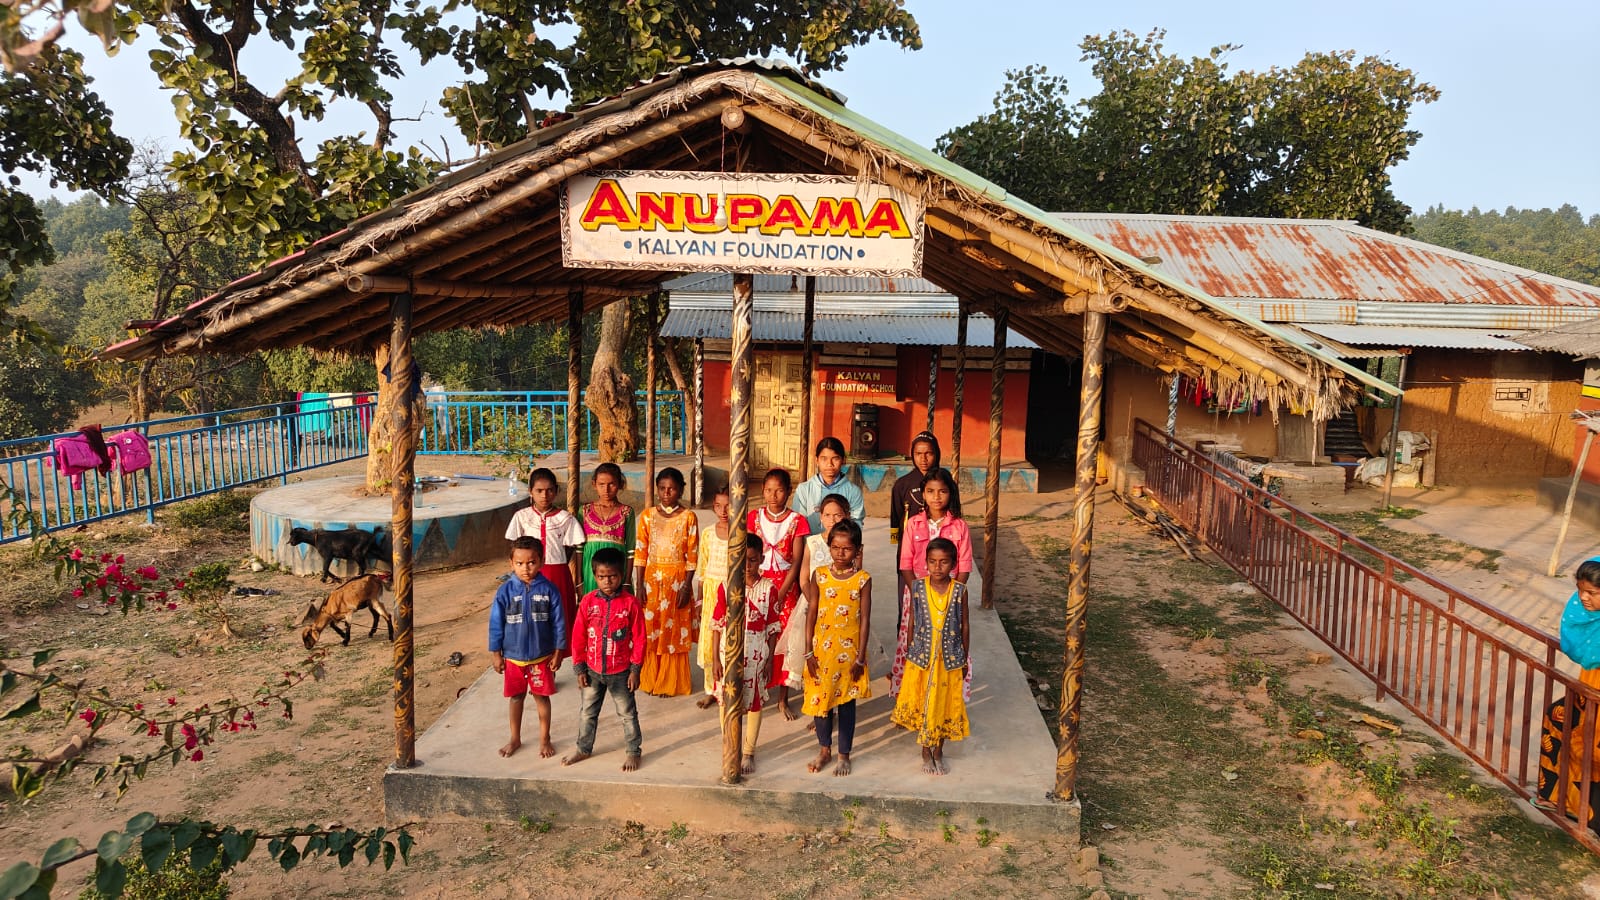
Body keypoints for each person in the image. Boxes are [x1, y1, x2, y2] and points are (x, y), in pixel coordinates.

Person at [891, 538, 970, 775]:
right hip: (922, 657)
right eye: (932, 562)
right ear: (925, 563)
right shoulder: (917, 587)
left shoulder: (959, 591)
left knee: (943, 703)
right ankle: (926, 750)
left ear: (953, 565)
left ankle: (939, 751)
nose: (937, 567)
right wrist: (908, 650)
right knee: (925, 701)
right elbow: (912, 620)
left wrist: (964, 657)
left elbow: (965, 625)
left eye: (944, 562)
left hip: (948, 658)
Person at [893, 468, 973, 698]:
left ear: (951, 494)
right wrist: (918, 591)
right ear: (923, 494)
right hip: (917, 592)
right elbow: (905, 564)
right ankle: (911, 698)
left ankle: (945, 698)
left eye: (942, 491)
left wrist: (953, 594)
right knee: (915, 641)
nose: (936, 497)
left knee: (947, 640)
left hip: (948, 594)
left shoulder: (959, 527)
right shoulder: (914, 524)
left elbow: (965, 565)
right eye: (930, 491)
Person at [564, 547, 645, 771]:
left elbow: (639, 638)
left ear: (621, 576)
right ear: (594, 576)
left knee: (627, 714)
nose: (607, 581)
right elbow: (578, 636)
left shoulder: (630, 604)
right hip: (592, 671)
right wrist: (579, 667)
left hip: (620, 672)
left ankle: (633, 751)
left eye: (612, 576)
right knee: (588, 712)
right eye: (601, 577)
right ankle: (583, 748)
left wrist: (635, 669)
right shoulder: (588, 602)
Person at [803, 519, 872, 777]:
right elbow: (811, 612)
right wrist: (808, 651)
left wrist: (861, 657)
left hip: (850, 655)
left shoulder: (863, 580)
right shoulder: (819, 575)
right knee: (821, 702)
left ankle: (844, 754)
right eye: (835, 547)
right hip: (821, 652)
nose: (840, 553)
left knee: (846, 705)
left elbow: (865, 619)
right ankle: (824, 750)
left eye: (846, 549)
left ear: (858, 550)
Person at [489, 536, 567, 759]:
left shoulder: (550, 590)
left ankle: (545, 738)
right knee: (516, 698)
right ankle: (515, 738)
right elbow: (496, 624)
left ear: (541, 561)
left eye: (531, 562)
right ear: (511, 563)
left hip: (541, 658)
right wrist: (496, 654)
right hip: (513, 658)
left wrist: (558, 651)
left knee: (542, 697)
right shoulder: (504, 592)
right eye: (520, 563)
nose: (526, 568)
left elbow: (559, 623)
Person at [1537, 558, 1600, 831]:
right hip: (1589, 690)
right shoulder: (1587, 616)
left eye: (1592, 593)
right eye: (1580, 590)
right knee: (1558, 719)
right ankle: (1561, 800)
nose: (1583, 598)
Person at [712, 535, 783, 775]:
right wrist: (714, 659)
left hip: (757, 654)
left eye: (752, 561)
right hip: (729, 652)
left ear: (761, 560)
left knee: (753, 703)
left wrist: (770, 659)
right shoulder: (726, 585)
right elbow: (716, 625)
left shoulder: (769, 588)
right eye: (742, 561)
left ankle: (749, 750)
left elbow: (773, 628)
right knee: (728, 698)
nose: (747, 566)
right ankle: (729, 744)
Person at [633, 467, 698, 696]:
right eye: (662, 488)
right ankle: (651, 678)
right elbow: (641, 553)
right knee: (652, 630)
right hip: (652, 581)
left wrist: (686, 586)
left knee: (673, 631)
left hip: (677, 581)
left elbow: (692, 556)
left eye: (672, 488)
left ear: (681, 489)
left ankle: (670, 682)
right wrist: (639, 585)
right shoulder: (647, 516)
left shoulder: (688, 517)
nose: (667, 493)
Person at [749, 468, 809, 717]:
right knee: (755, 637)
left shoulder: (797, 521)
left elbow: (796, 561)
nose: (773, 495)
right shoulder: (753, 517)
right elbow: (749, 553)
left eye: (780, 490)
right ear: (762, 490)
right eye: (768, 490)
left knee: (785, 639)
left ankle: (782, 697)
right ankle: (754, 690)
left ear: (789, 492)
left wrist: (783, 591)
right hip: (757, 583)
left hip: (785, 585)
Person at [506, 467, 585, 646]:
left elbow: (570, 547)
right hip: (528, 576)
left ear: (556, 490)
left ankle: (553, 662)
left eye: (549, 490)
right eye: (539, 491)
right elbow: (513, 547)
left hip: (557, 574)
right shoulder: (521, 517)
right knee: (532, 617)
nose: (544, 495)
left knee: (557, 617)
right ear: (530, 492)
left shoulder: (566, 518)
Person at [782, 493, 851, 697]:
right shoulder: (812, 542)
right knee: (806, 650)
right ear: (820, 517)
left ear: (846, 516)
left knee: (834, 655)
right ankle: (811, 700)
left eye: (837, 515)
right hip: (811, 604)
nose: (832, 520)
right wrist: (814, 601)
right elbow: (803, 578)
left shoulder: (852, 544)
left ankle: (832, 700)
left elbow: (854, 578)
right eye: (827, 515)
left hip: (840, 607)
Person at [890, 432, 946, 597]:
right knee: (908, 599)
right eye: (918, 454)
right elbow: (896, 515)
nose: (923, 459)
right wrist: (899, 543)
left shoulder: (946, 481)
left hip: (939, 548)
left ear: (936, 454)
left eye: (928, 453)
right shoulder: (902, 484)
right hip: (911, 549)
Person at [694, 486, 732, 709]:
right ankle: (711, 689)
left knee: (727, 642)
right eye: (719, 506)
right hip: (710, 593)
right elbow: (702, 567)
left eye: (728, 506)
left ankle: (728, 689)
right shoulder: (708, 533)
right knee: (710, 642)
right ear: (713, 507)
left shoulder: (740, 532)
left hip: (730, 593)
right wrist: (699, 600)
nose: (723, 510)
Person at [579, 462, 636, 598]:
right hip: (590, 570)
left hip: (616, 570)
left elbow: (631, 550)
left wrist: (627, 582)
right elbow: (579, 549)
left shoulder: (627, 512)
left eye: (612, 484)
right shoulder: (584, 511)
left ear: (620, 484)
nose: (606, 489)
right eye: (601, 484)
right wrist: (579, 580)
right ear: (594, 484)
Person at [791, 436, 865, 532]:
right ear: (817, 460)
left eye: (835, 458)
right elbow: (798, 525)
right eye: (824, 459)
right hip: (810, 545)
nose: (829, 464)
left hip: (840, 545)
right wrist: (813, 544)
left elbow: (856, 524)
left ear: (843, 460)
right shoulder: (804, 489)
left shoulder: (853, 491)